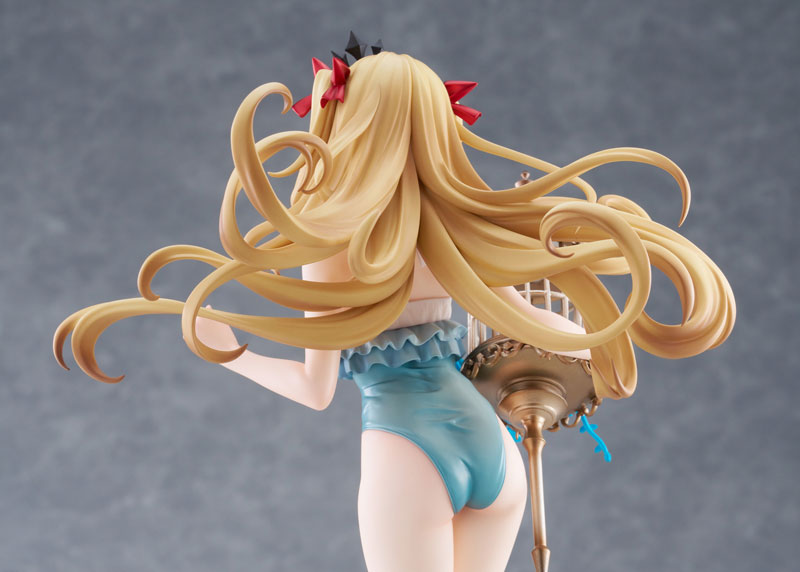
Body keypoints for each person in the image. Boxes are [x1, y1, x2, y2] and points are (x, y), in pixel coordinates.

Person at [54, 50, 735, 572]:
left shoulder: (331, 246)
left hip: (407, 452)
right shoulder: (453, 235)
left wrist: (232, 351)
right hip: (494, 457)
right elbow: (550, 331)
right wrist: (571, 306)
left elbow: (315, 390)